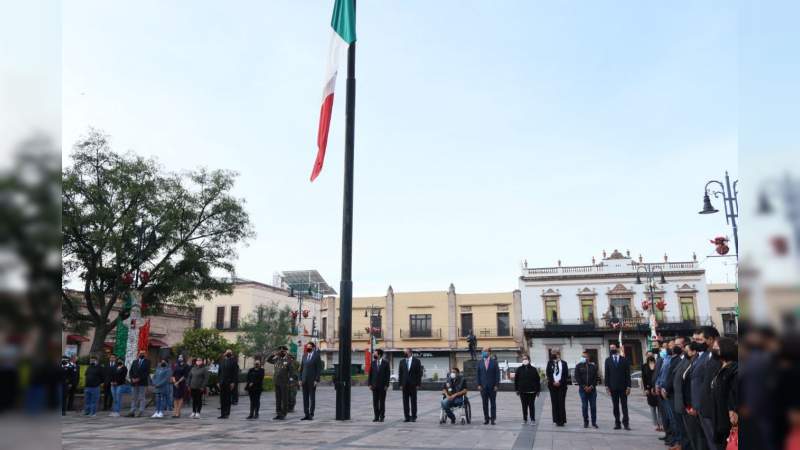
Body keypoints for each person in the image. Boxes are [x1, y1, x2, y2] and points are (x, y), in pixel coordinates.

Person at [710, 337, 738, 450]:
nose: (713, 350)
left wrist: (734, 410)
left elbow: (735, 392)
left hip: (729, 418)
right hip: (719, 416)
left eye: (716, 348)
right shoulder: (720, 366)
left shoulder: (734, 368)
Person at [698, 326, 722, 450]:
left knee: (717, 443)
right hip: (706, 408)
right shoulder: (708, 355)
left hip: (715, 409)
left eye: (701, 340)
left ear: (711, 339)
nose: (699, 343)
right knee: (711, 442)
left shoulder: (720, 355)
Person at [685, 340, 709, 450]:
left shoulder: (707, 358)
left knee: (709, 436)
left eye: (699, 339)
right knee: (700, 434)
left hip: (702, 404)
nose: (696, 341)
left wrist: (695, 405)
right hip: (694, 404)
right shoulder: (695, 360)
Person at [669, 340, 691, 450]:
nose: (674, 347)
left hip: (683, 399)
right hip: (677, 397)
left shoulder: (687, 360)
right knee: (680, 424)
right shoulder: (681, 359)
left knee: (686, 426)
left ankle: (684, 445)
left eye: (677, 345)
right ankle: (681, 444)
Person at [604, 343, 631, 430]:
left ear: (617, 348)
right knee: (615, 406)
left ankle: (626, 423)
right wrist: (607, 386)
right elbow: (607, 374)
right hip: (613, 387)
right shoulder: (608, 360)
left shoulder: (624, 360)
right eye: (610, 348)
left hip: (623, 387)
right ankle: (617, 423)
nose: (612, 349)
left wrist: (629, 386)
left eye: (613, 347)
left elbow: (627, 374)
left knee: (624, 406)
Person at [266, 345, 294, 420]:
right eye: (280, 351)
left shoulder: (289, 360)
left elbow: (291, 372)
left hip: (284, 382)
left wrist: (291, 382)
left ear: (285, 352)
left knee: (284, 399)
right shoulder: (276, 359)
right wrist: (274, 354)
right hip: (277, 381)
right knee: (278, 398)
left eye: (283, 351)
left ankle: (283, 413)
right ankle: (278, 413)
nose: (281, 352)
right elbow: (268, 360)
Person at [299, 342, 323, 420]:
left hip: (312, 381)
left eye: (309, 347)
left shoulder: (316, 356)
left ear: (313, 347)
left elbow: (319, 369)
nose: (308, 348)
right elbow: (301, 369)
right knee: (305, 398)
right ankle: (306, 414)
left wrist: (316, 380)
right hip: (304, 380)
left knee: (312, 398)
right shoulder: (304, 356)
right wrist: (300, 379)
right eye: (307, 347)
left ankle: (311, 414)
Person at [476, 347, 500, 425]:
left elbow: (497, 374)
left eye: (485, 351)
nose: (483, 352)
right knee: (484, 404)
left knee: (493, 403)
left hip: (492, 386)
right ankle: (486, 418)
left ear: (489, 352)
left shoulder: (494, 362)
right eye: (482, 351)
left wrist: (496, 385)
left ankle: (493, 419)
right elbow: (478, 375)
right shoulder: (479, 362)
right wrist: (478, 384)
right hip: (483, 387)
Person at [575, 350, 599, 428]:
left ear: (588, 357)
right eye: (582, 356)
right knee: (584, 406)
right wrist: (584, 386)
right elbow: (577, 378)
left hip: (592, 390)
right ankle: (586, 421)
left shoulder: (593, 366)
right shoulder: (578, 366)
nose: (583, 358)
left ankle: (594, 422)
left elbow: (596, 378)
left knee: (593, 406)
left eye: (585, 356)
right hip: (583, 390)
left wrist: (591, 386)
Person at [514, 356, 540, 425]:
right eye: (523, 359)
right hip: (522, 391)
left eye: (526, 359)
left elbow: (537, 380)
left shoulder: (533, 369)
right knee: (524, 406)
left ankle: (532, 419)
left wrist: (538, 390)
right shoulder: (519, 369)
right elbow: (516, 380)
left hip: (532, 391)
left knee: (531, 406)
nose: (524, 360)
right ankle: (525, 419)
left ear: (529, 360)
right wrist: (516, 389)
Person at [398, 347, 422, 422]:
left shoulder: (417, 361)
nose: (404, 353)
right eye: (404, 352)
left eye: (405, 352)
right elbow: (400, 373)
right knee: (405, 402)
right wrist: (400, 384)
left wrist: (418, 384)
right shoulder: (402, 361)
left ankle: (414, 417)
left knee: (413, 401)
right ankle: (407, 417)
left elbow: (419, 373)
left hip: (413, 384)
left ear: (410, 352)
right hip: (404, 385)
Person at [546, 350, 569, 426]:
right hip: (552, 386)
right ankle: (556, 420)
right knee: (554, 402)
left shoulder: (564, 363)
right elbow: (548, 374)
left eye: (556, 354)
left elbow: (565, 375)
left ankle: (562, 420)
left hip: (561, 386)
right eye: (553, 354)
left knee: (561, 403)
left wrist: (560, 382)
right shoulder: (550, 363)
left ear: (559, 354)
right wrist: (553, 382)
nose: (555, 356)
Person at [368, 348, 390, 422]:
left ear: (379, 354)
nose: (374, 354)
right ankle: (376, 416)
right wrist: (370, 384)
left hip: (382, 386)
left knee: (382, 402)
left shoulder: (386, 363)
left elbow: (387, 375)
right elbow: (370, 374)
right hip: (374, 386)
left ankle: (382, 417)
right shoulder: (373, 363)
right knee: (375, 402)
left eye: (375, 353)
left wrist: (387, 385)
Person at [127, 351, 150, 417]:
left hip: (142, 382)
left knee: (141, 397)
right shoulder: (135, 361)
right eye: (140, 353)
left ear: (145, 354)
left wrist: (139, 378)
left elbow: (147, 372)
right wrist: (132, 379)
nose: (141, 354)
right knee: (134, 397)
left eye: (143, 353)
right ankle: (132, 411)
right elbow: (131, 371)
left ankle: (141, 411)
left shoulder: (147, 362)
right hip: (134, 382)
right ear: (138, 354)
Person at [642, 354, 662, 432]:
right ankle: (656, 424)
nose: (650, 356)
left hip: (657, 388)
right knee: (652, 407)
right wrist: (645, 389)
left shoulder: (658, 364)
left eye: (651, 355)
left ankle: (661, 424)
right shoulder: (644, 366)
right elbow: (643, 378)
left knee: (660, 407)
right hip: (649, 389)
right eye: (648, 355)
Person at [217, 349, 239, 419]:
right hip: (222, 382)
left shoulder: (234, 362)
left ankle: (227, 413)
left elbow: (235, 373)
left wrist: (233, 382)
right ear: (225, 353)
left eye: (229, 352)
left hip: (229, 382)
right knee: (222, 398)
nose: (228, 353)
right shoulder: (222, 361)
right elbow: (219, 372)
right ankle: (222, 414)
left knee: (228, 398)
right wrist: (218, 381)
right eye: (227, 352)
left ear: (231, 354)